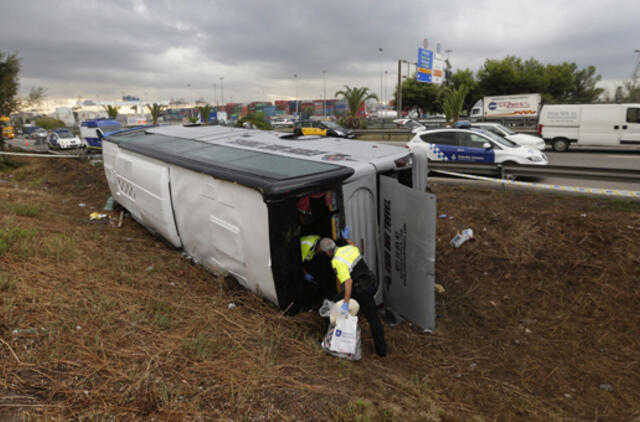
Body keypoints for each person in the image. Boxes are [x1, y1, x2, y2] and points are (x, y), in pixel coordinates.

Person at [318, 227, 387, 357]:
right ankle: (382, 351)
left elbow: (348, 282)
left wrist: (345, 302)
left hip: (358, 289)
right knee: (373, 318)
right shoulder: (349, 248)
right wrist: (347, 239)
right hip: (370, 284)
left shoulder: (336, 261)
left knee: (331, 309)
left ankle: (330, 341)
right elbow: (355, 245)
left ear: (327, 252)